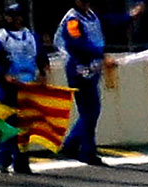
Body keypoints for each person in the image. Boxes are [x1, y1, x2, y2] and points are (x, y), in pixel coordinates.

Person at [0, 2, 44, 174]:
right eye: (13, 16)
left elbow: (41, 56)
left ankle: (21, 161)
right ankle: (4, 159)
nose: (16, 20)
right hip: (8, 87)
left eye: (19, 16)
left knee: (25, 126)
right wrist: (4, 75)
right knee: (7, 124)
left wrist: (43, 72)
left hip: (28, 86)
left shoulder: (31, 36)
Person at [54, 0, 110, 165]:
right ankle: (87, 151)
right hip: (78, 68)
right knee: (89, 110)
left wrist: (128, 16)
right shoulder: (73, 19)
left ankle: (72, 145)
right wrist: (100, 53)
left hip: (91, 67)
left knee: (91, 111)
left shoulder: (91, 15)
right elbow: (76, 43)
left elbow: (108, 20)